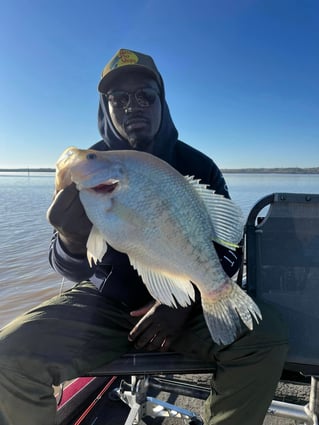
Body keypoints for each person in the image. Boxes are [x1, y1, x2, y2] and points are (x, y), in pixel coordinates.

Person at [0, 48, 288, 425]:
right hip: (104, 306)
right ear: (105, 107)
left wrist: (181, 305)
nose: (132, 105)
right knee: (9, 355)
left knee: (264, 340)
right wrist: (69, 236)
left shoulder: (198, 166)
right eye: (118, 98)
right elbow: (70, 268)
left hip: (187, 306)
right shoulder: (92, 168)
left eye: (145, 95)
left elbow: (229, 245)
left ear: (161, 102)